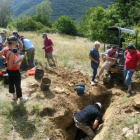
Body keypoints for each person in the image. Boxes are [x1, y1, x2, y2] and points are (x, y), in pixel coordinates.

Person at [0, 36, 28, 103]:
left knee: (11, 83)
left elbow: (0, 54)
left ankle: (14, 95)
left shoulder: (5, 49)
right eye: (15, 43)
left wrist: (5, 58)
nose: (16, 44)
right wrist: (19, 60)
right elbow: (11, 65)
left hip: (9, 70)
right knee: (18, 84)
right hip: (14, 70)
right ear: (12, 43)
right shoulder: (11, 53)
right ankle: (21, 99)